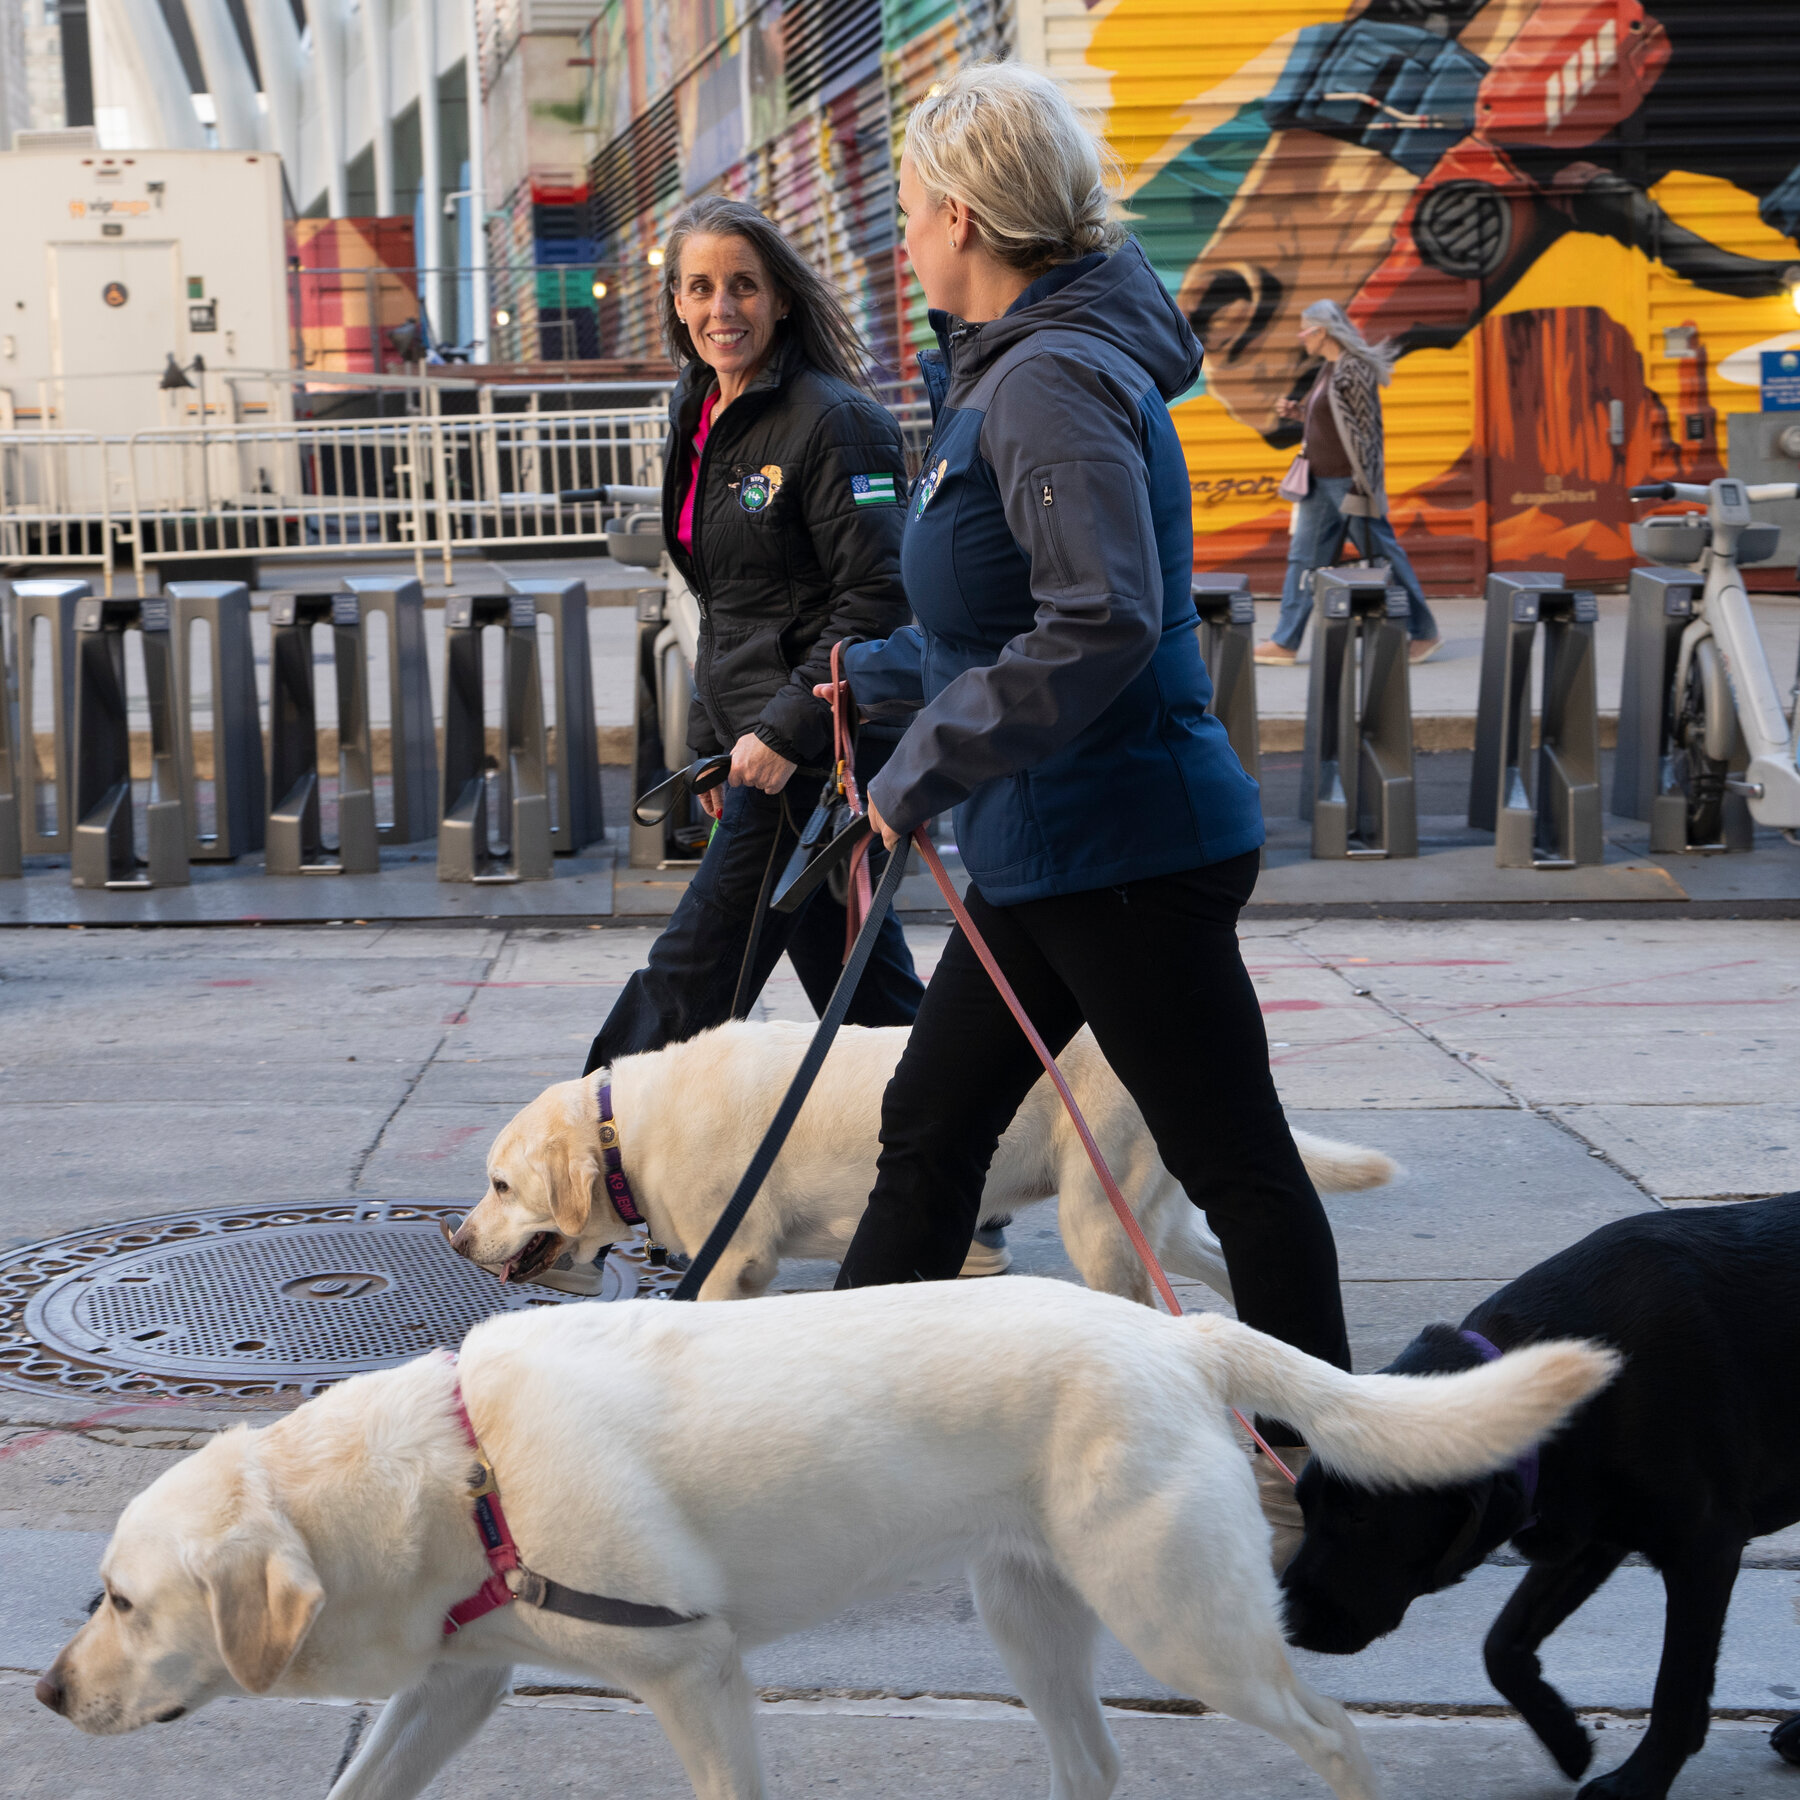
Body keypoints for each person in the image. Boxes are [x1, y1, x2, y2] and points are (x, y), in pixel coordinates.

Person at [824, 61, 1351, 1562]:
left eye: (914, 207)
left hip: (1120, 850)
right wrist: (871, 678)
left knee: (1238, 1166)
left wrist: (925, 762)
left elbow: (1102, 618)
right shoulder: (1010, 363)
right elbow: (1005, 616)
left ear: (969, 215)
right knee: (930, 1131)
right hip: (1056, 844)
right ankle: (843, 1448)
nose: (904, 236)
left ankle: (1343, 1496)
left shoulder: (1045, 376)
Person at [582, 195, 925, 1084]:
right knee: (865, 991)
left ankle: (590, 1158)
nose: (720, 308)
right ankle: (960, 1167)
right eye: (699, 288)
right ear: (676, 304)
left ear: (780, 299)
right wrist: (709, 747)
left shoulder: (836, 422)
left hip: (809, 755)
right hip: (751, 750)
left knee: (692, 973)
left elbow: (880, 598)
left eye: (743, 285)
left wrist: (780, 730)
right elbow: (728, 605)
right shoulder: (699, 413)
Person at [1254, 299, 1441, 666]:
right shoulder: (1329, 367)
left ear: (1322, 331)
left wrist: (1363, 486)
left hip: (1347, 484)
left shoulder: (1353, 369)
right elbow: (1333, 420)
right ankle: (1285, 642)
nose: (1300, 338)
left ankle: (1424, 633)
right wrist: (1299, 411)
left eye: (1304, 330)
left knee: (1385, 556)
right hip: (1318, 482)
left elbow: (1368, 434)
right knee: (1302, 560)